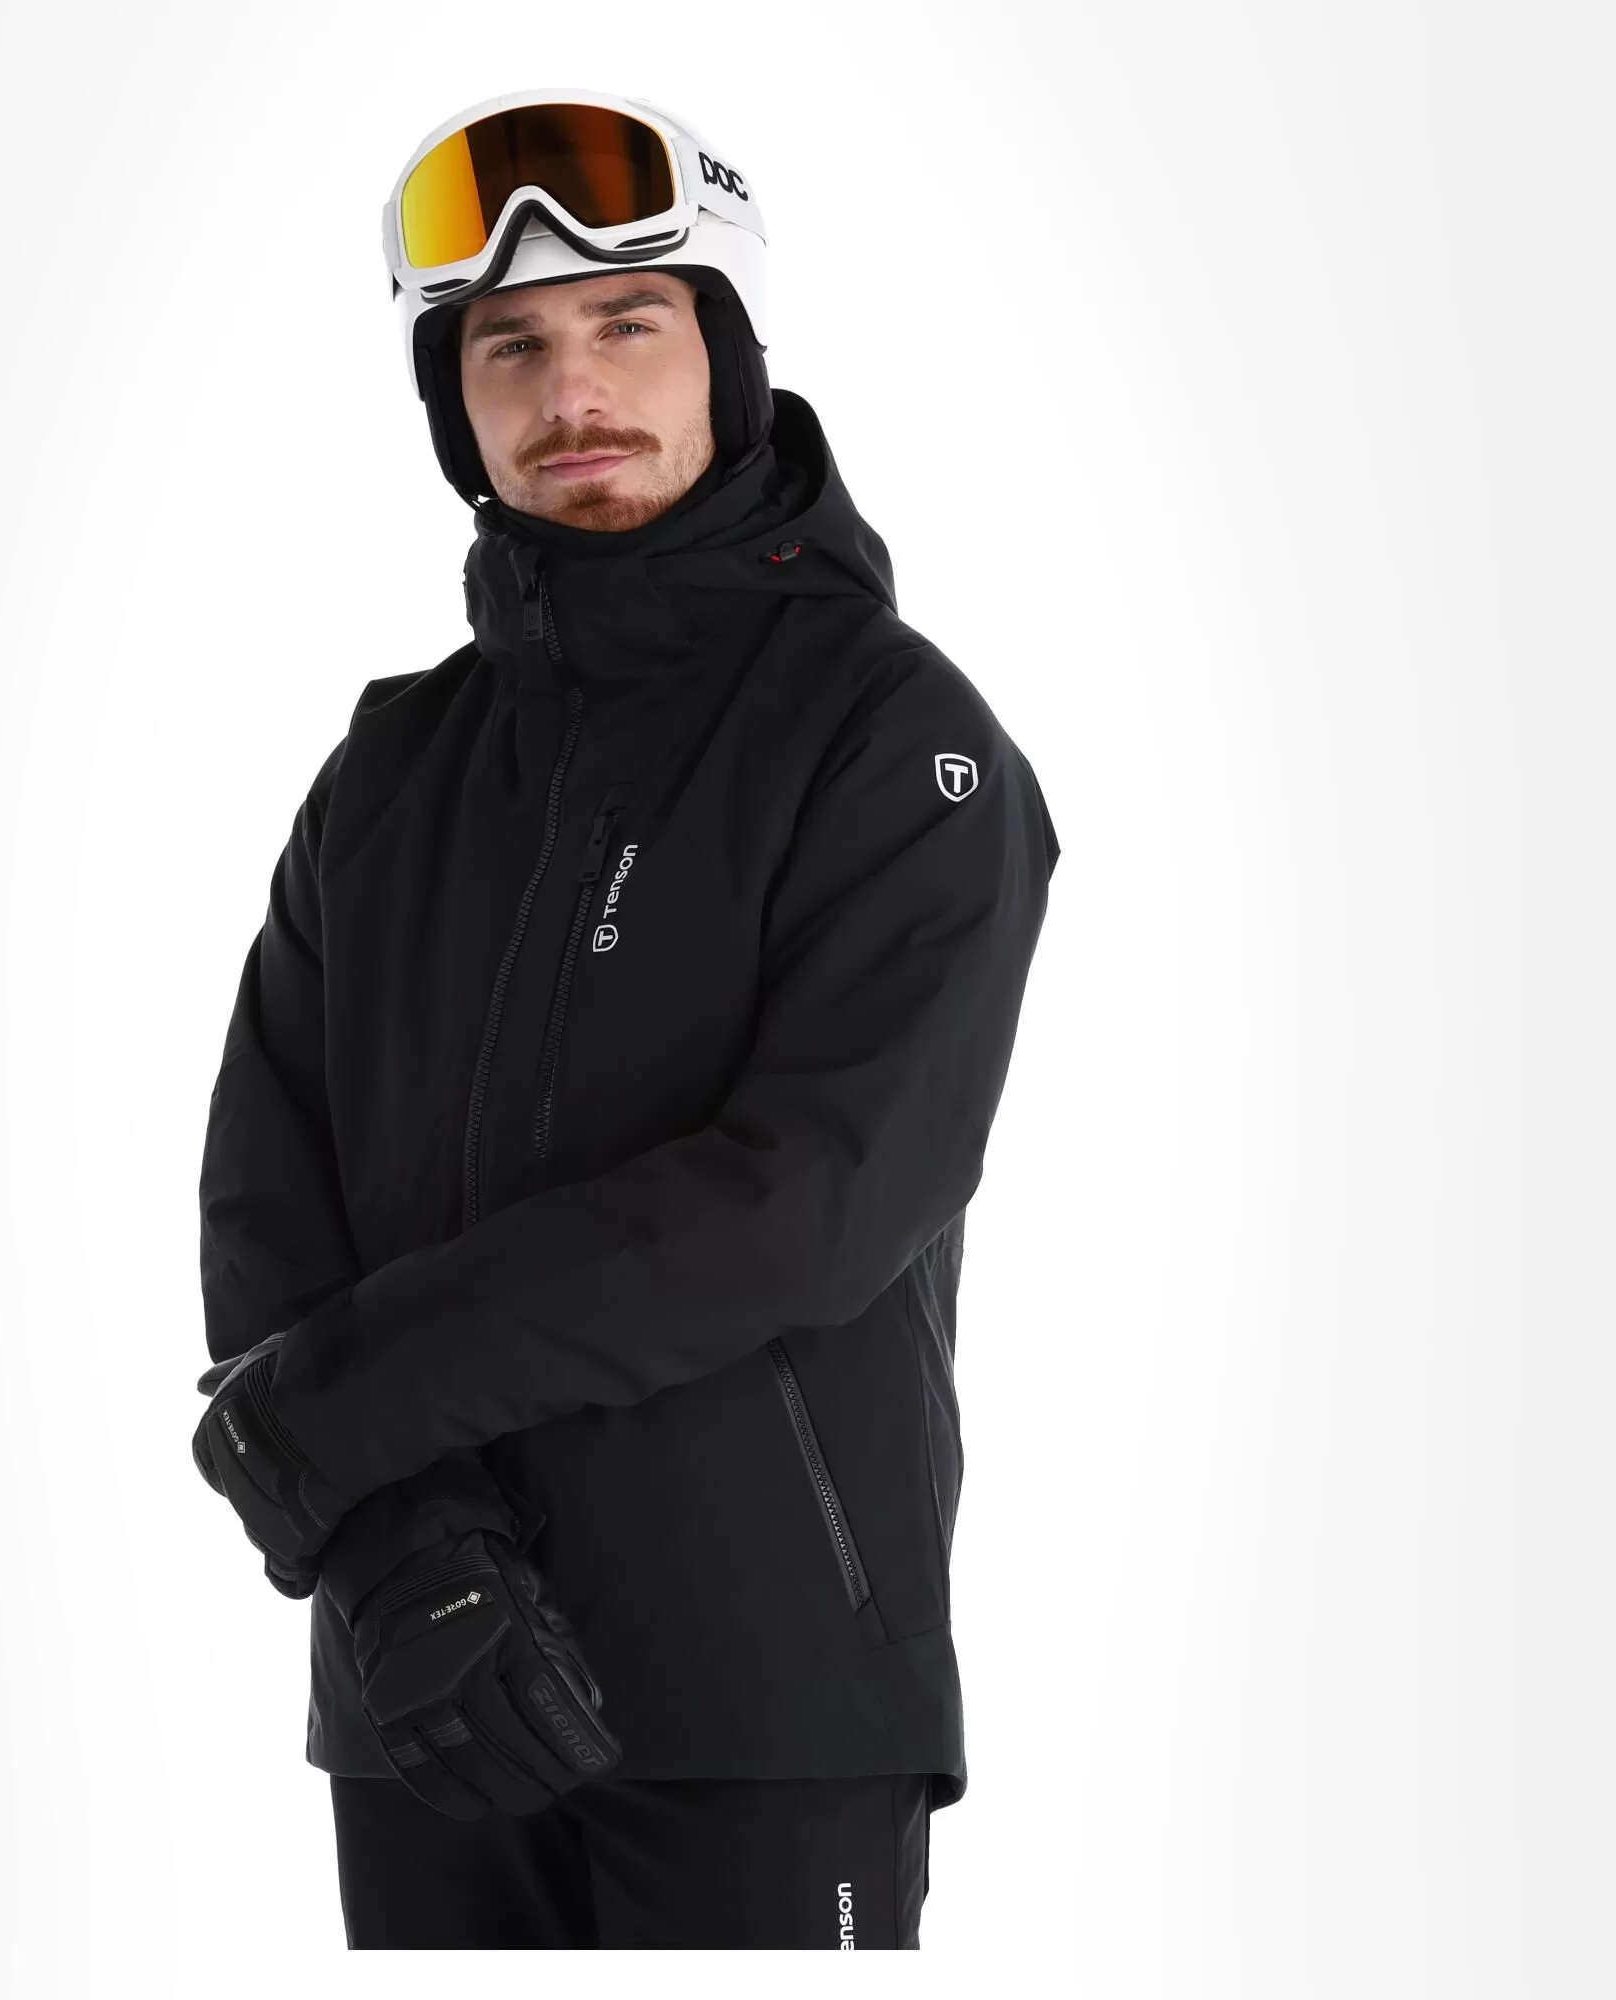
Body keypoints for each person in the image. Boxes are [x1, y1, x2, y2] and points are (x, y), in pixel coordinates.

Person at [189, 87, 1062, 1949]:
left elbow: (813, 1197)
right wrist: (396, 1550)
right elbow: (269, 1189)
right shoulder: (388, 773)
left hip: (766, 1697)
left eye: (626, 323)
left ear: (726, 356)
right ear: (456, 408)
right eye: (507, 346)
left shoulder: (894, 737)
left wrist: (330, 1425)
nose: (570, 388)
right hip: (424, 1696)